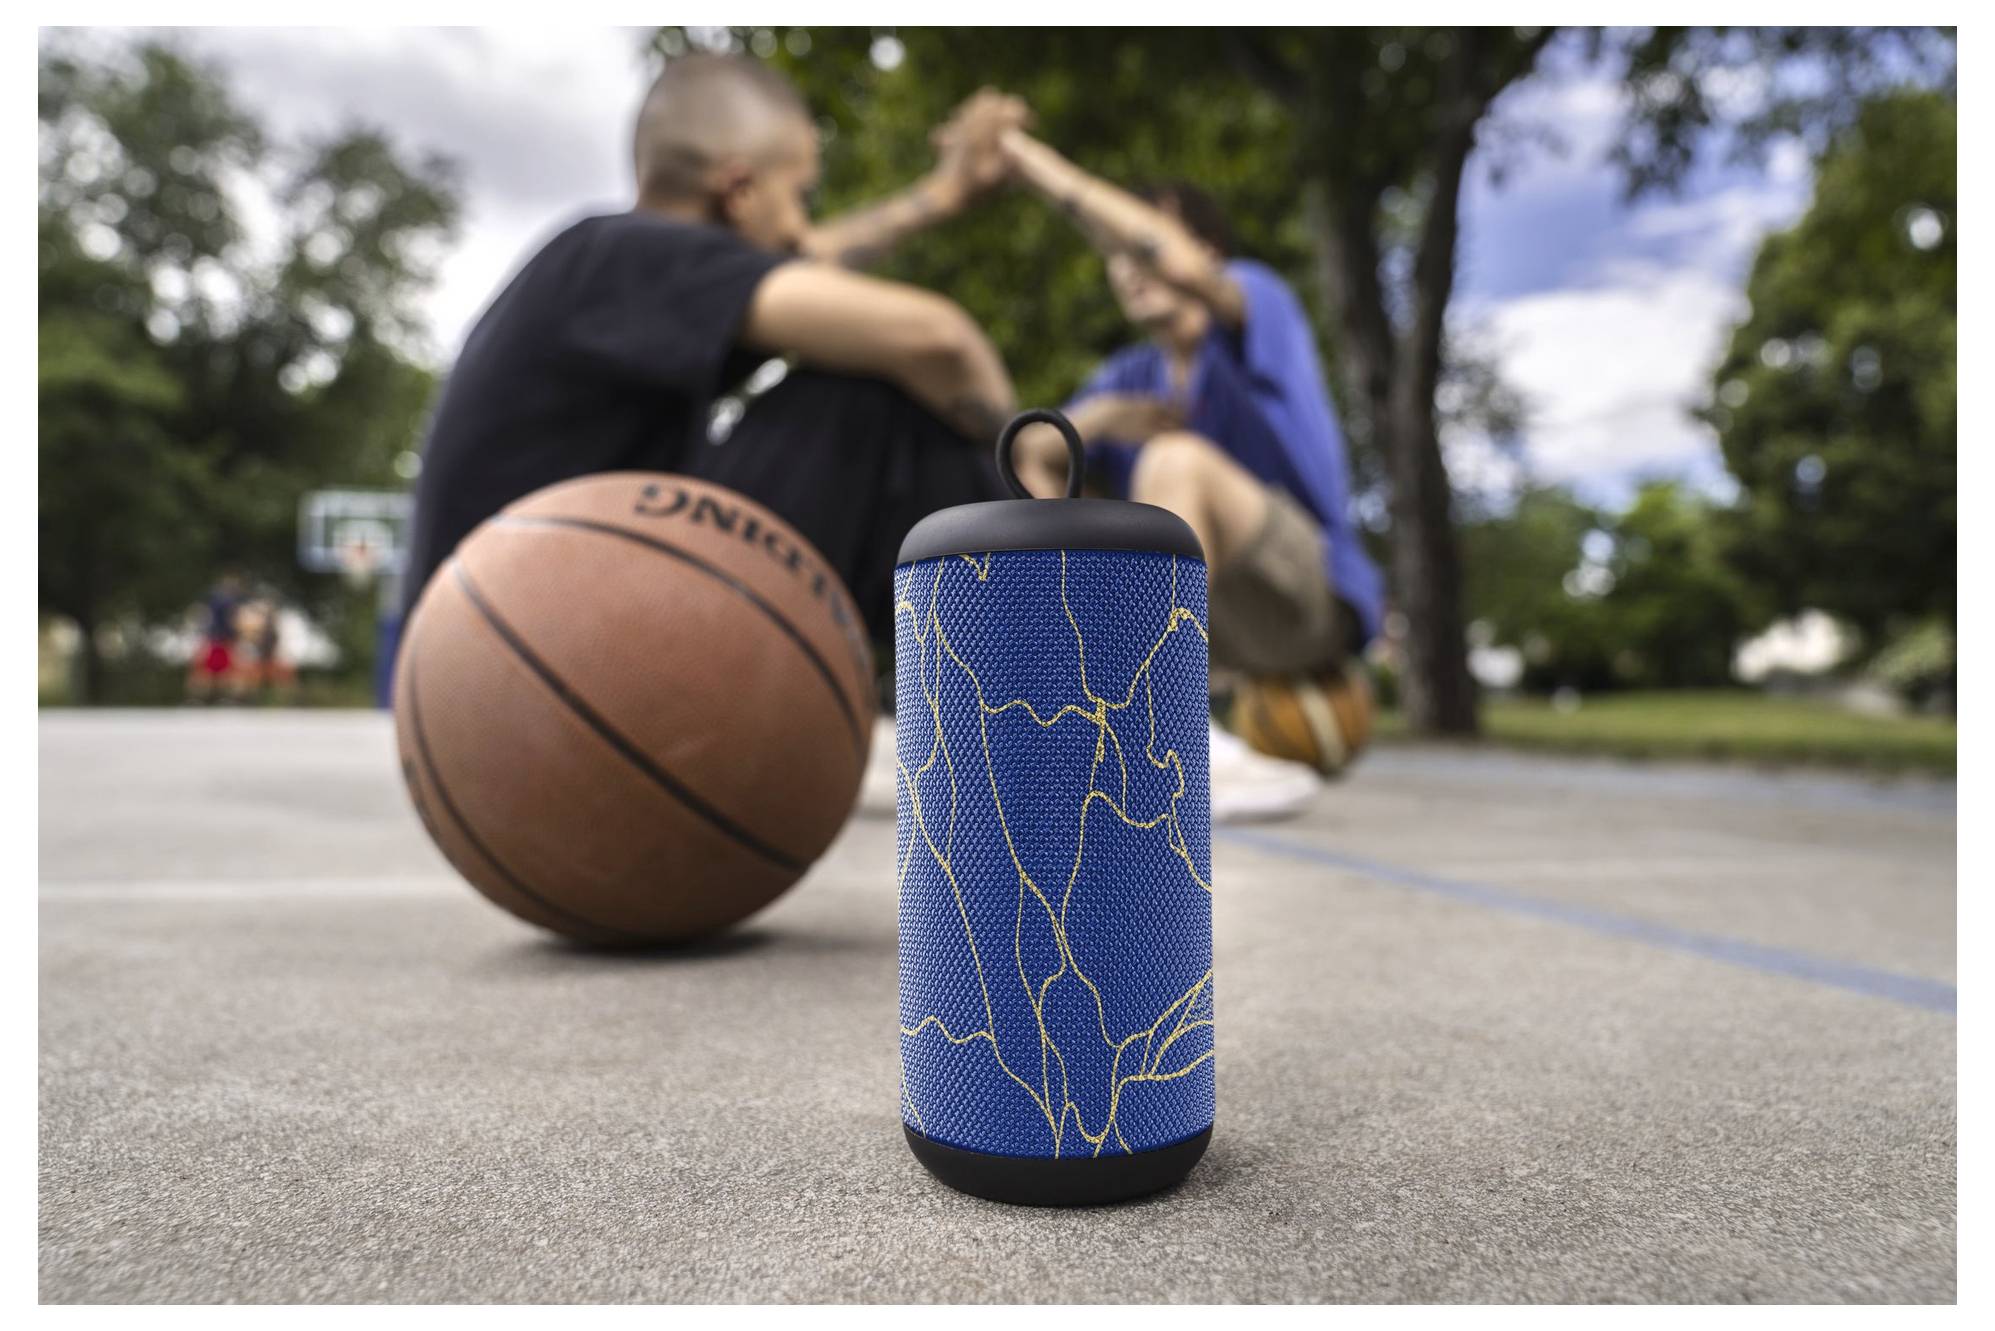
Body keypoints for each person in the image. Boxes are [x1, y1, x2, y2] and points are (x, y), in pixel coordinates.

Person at [400, 56, 1026, 650]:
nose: (802, 227)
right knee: (862, 402)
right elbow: (937, 339)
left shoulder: (614, 270)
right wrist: (1030, 472)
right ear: (739, 190)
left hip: (488, 660)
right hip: (534, 645)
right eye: (800, 194)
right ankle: (1052, 683)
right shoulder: (626, 253)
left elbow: (803, 256)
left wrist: (946, 194)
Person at [995, 128, 1385, 817]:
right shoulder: (1129, 377)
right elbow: (1030, 454)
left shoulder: (1256, 303)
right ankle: (1080, 713)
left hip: (1306, 594)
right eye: (1112, 256)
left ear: (1204, 251)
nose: (1125, 263)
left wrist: (1035, 164)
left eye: (1135, 242)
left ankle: (1156, 734)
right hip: (1220, 626)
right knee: (1051, 483)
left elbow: (1180, 270)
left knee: (1174, 461)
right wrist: (1108, 416)